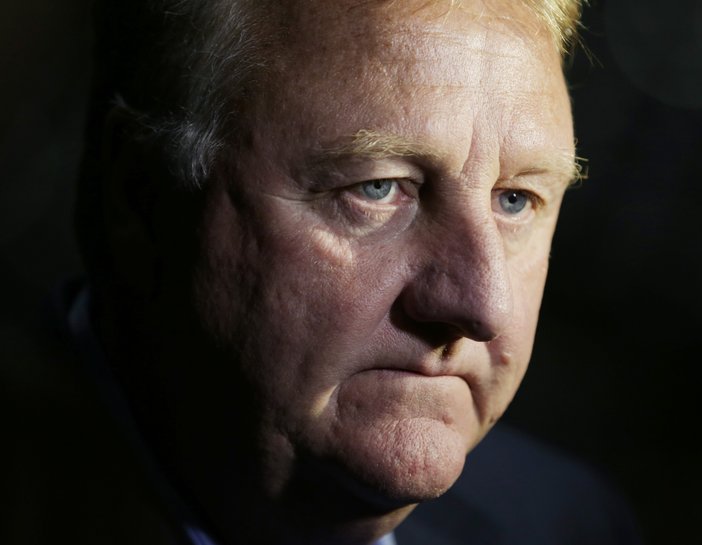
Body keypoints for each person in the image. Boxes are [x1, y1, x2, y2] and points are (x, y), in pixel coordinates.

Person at [2, 1, 640, 544]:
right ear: (140, 194)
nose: (481, 305)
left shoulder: (568, 521)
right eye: (379, 188)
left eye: (515, 200)